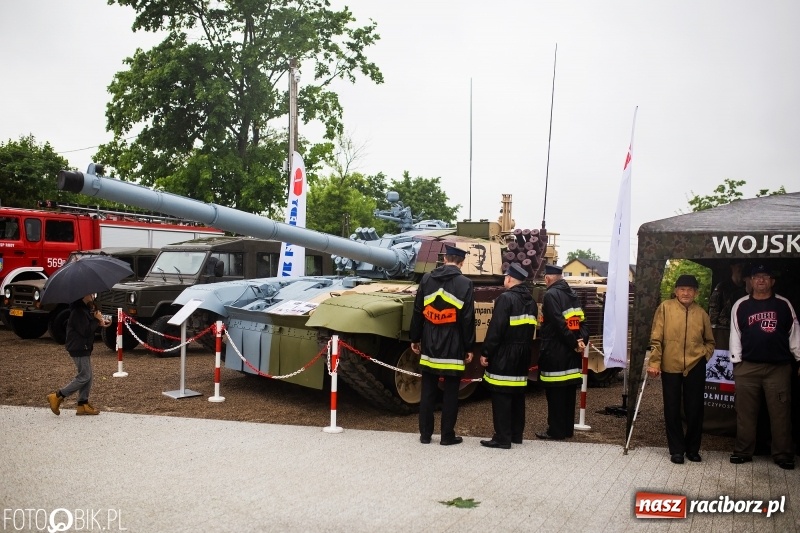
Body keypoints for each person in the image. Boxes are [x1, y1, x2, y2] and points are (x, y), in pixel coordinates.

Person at [729, 264, 800, 470]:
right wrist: (737, 362)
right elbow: (736, 334)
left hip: (777, 368)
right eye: (756, 277)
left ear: (772, 281)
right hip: (747, 367)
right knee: (745, 412)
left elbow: (794, 333)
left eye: (765, 276)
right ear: (750, 281)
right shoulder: (741, 305)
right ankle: (743, 451)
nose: (760, 280)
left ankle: (783, 454)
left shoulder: (783, 304)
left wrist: (798, 358)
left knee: (780, 412)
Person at [410, 244, 475, 446]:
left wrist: (415, 338)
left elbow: (418, 310)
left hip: (429, 340)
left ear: (444, 258)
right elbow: (467, 319)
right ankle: (447, 436)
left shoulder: (427, 279)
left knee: (427, 391)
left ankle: (425, 435)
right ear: (461, 262)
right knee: (451, 394)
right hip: (453, 343)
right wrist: (469, 347)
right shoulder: (465, 283)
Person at [647, 274, 715, 464]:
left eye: (690, 290)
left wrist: (704, 355)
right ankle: (676, 450)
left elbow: (710, 341)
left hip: (695, 366)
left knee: (695, 409)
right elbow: (656, 338)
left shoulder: (702, 313)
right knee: (672, 408)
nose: (686, 293)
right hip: (670, 365)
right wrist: (654, 362)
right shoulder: (665, 308)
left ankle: (693, 449)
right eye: (682, 289)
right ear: (676, 291)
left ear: (696, 293)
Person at [479, 263, 537, 449]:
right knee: (517, 395)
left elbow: (496, 329)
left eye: (505, 277)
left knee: (501, 395)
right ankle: (516, 435)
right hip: (523, 353)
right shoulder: (531, 301)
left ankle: (502, 438)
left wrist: (486, 352)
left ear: (510, 278)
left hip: (505, 353)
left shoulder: (505, 298)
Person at [536, 264, 589, 441]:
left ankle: (555, 431)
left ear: (548, 278)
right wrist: (581, 341)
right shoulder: (571, 294)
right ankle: (567, 429)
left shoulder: (551, 295)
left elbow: (559, 324)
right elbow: (581, 321)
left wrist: (574, 342)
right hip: (572, 354)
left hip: (555, 352)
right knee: (568, 394)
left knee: (555, 394)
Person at [46, 293, 111, 416]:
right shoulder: (78, 311)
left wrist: (99, 322)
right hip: (78, 347)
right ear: (84, 295)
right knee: (84, 376)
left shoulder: (84, 309)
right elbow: (85, 331)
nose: (93, 296)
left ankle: (83, 404)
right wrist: (96, 320)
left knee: (88, 376)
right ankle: (57, 396)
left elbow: (88, 327)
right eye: (91, 294)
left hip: (83, 346)